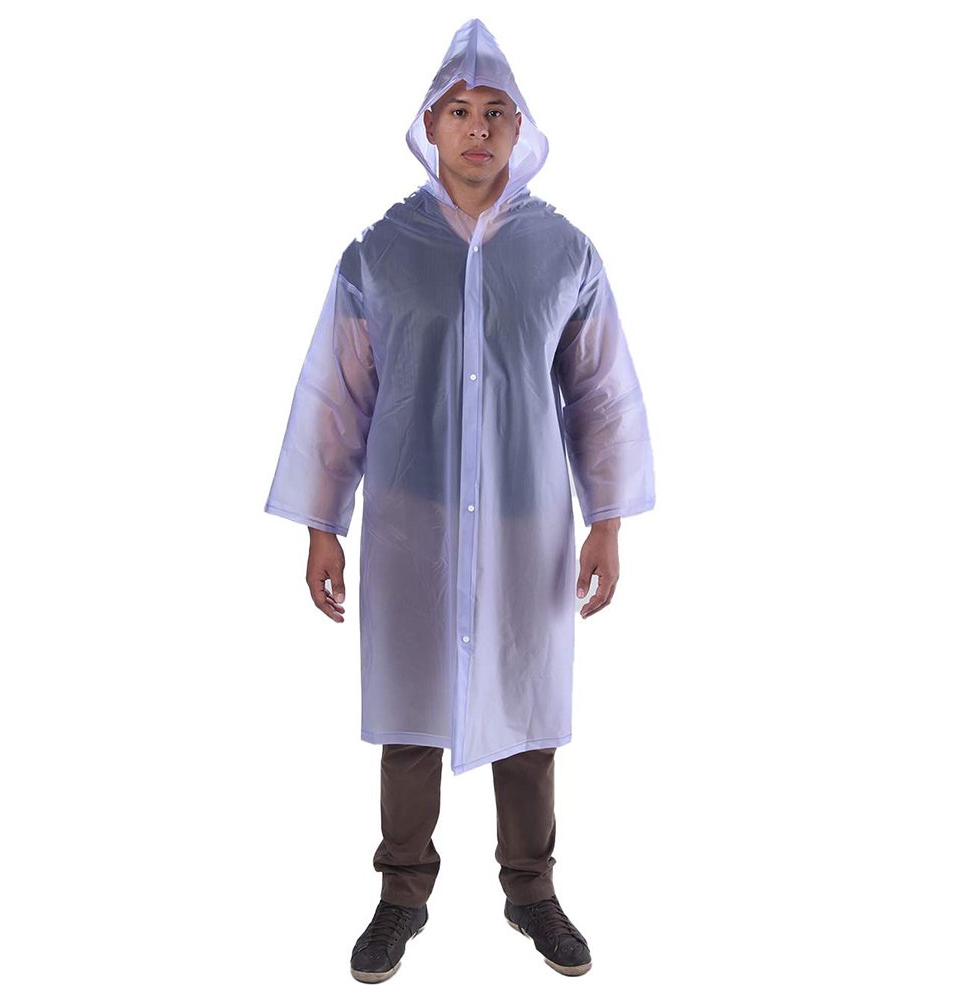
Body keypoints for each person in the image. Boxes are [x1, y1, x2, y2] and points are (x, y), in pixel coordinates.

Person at [264, 18, 655, 983]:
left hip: (526, 517)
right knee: (410, 709)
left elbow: (601, 395)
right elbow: (337, 395)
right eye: (459, 111)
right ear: (429, 126)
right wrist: (323, 525)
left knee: (526, 704)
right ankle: (402, 895)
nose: (477, 129)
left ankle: (532, 891)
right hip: (413, 521)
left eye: (496, 113)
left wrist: (607, 521)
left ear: (521, 128)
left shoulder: (564, 253)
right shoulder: (379, 253)